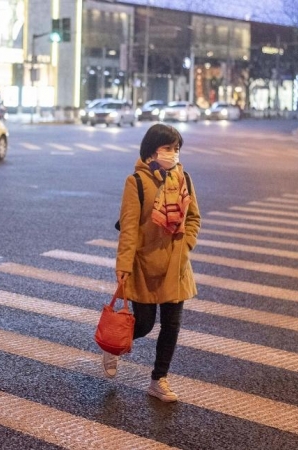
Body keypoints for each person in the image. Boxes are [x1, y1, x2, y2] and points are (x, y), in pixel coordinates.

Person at [108, 123, 202, 403]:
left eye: (177, 149)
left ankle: (158, 379)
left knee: (172, 325)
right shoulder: (136, 182)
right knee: (145, 324)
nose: (173, 154)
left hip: (176, 265)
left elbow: (194, 217)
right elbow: (129, 228)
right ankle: (113, 347)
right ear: (151, 151)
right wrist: (123, 267)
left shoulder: (182, 177)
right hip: (145, 264)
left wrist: (185, 246)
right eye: (168, 148)